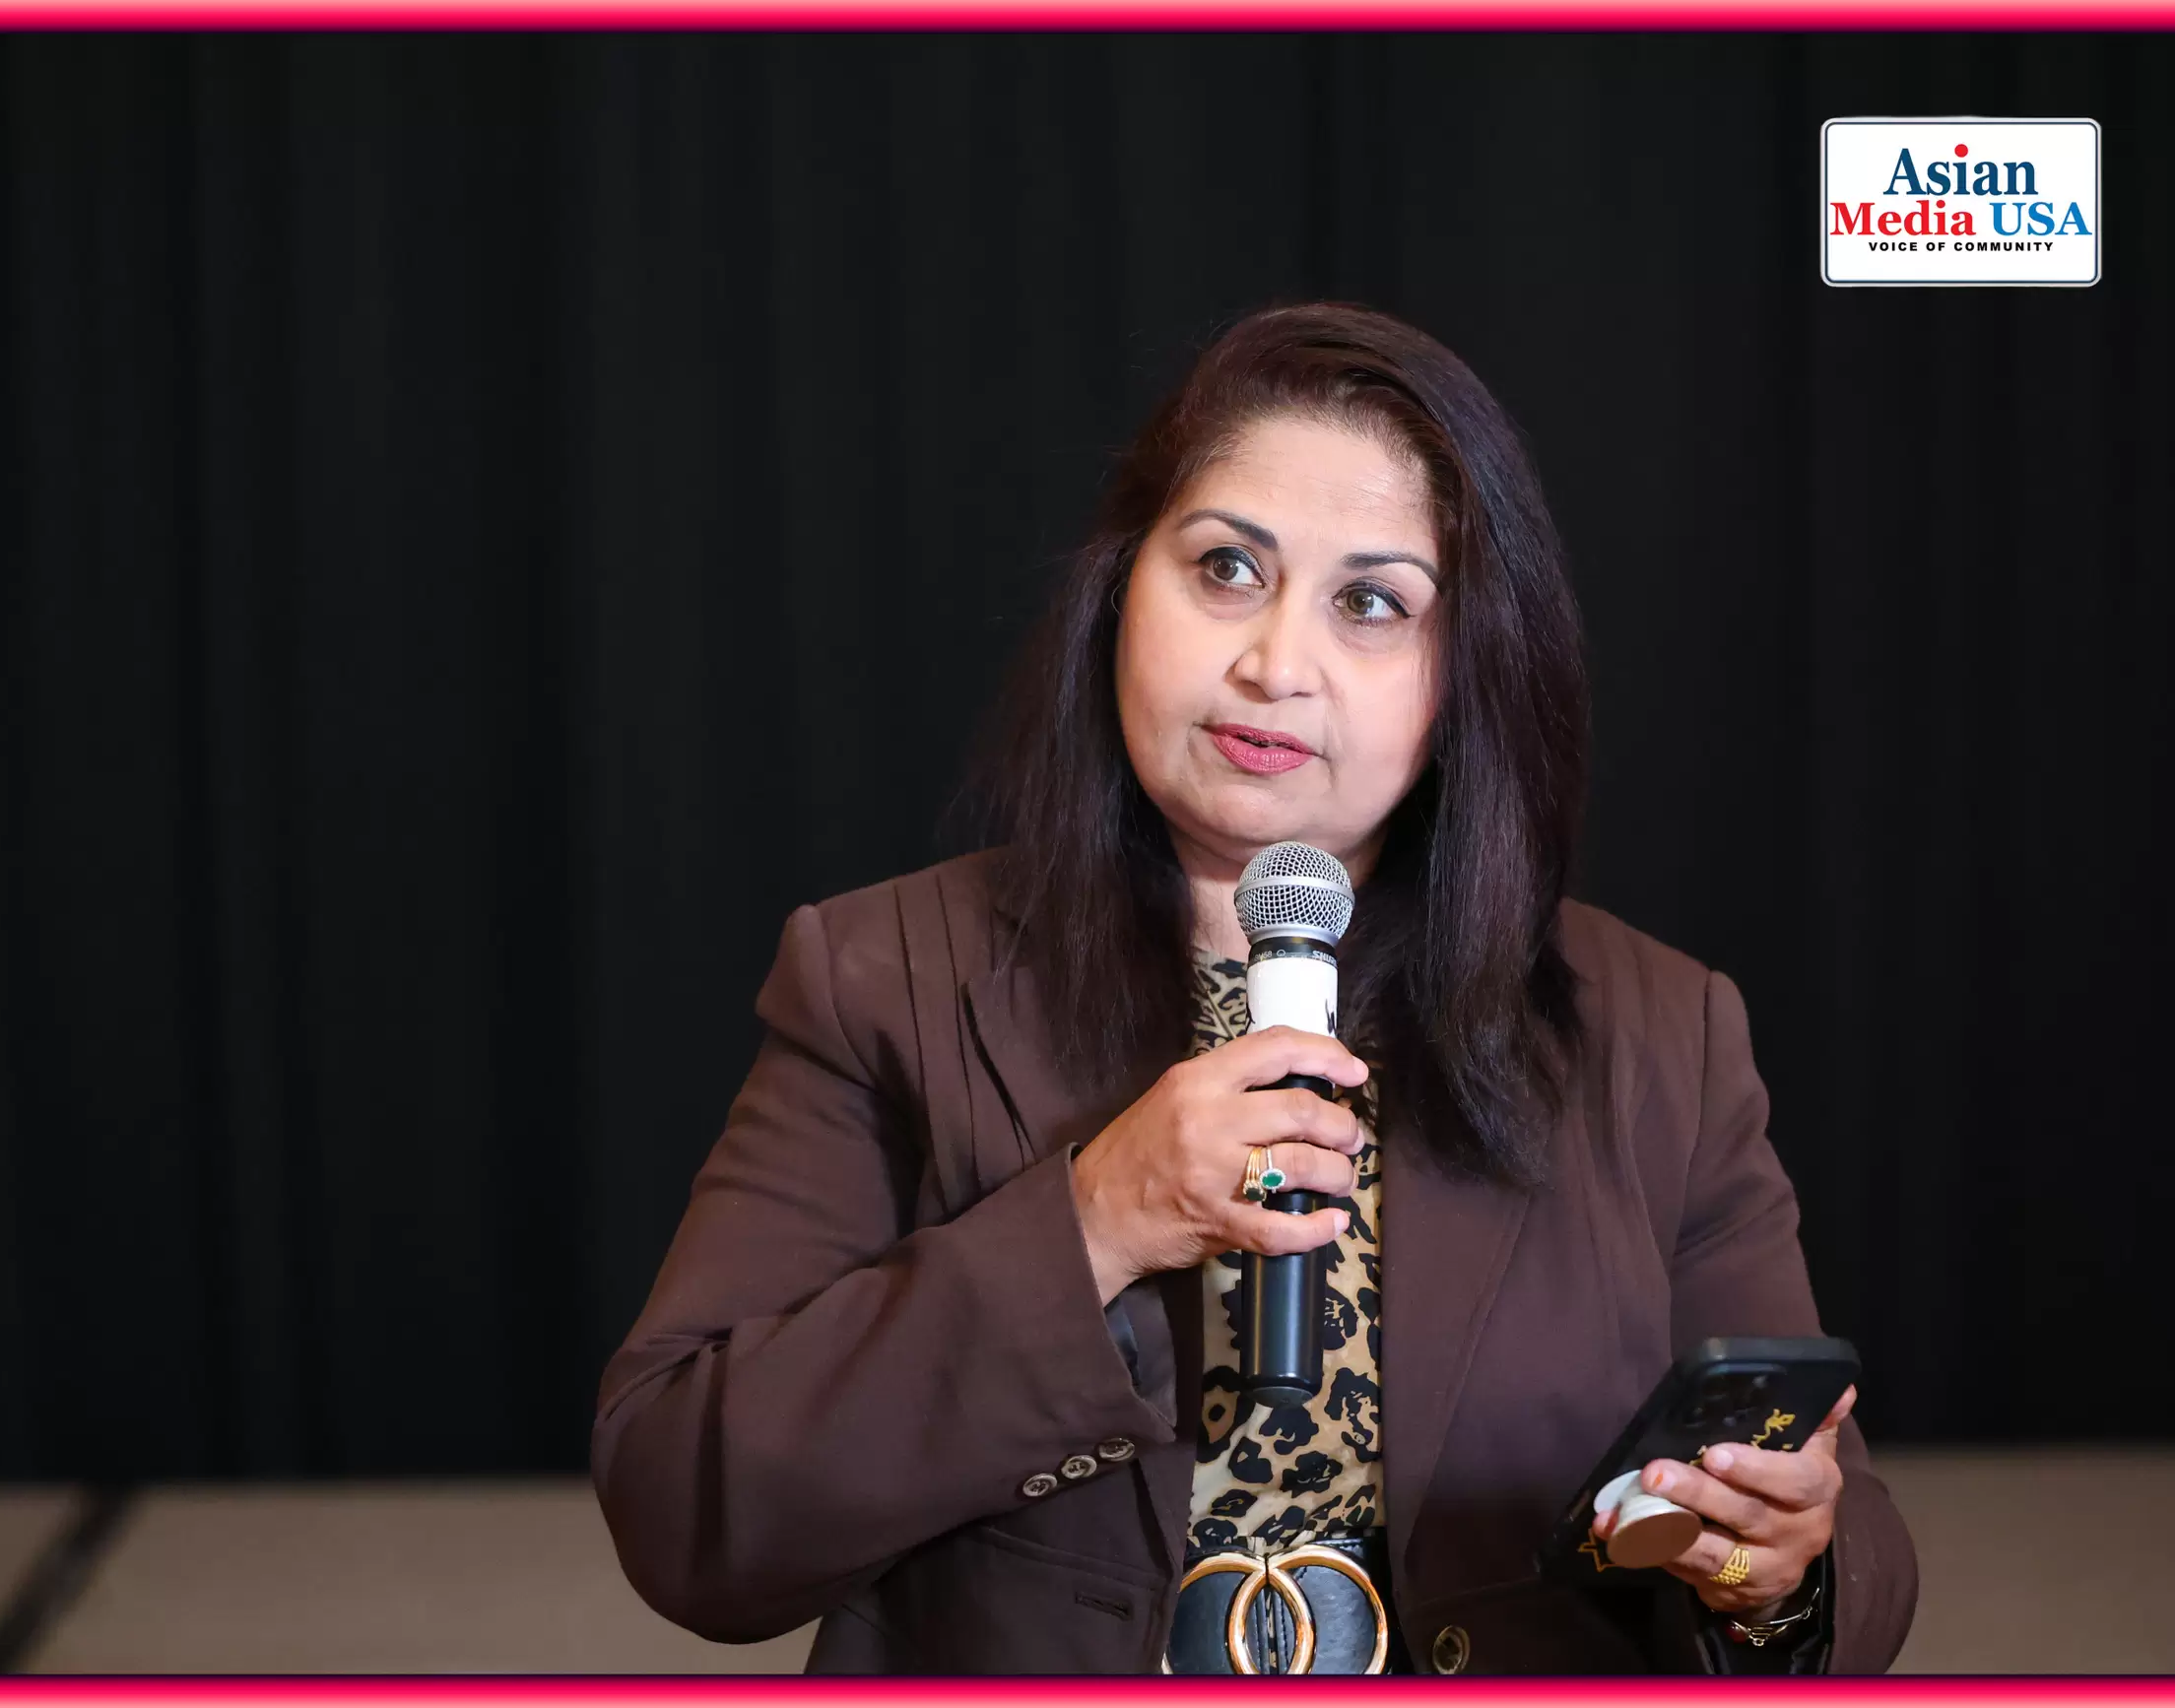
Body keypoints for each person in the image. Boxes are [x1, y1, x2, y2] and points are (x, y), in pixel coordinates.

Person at [590, 301, 1919, 1675]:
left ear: (1468, 670)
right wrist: (1092, 1223)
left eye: (1371, 603)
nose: (1276, 665)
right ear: (1122, 588)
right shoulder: (885, 977)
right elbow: (683, 1509)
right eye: (1227, 568)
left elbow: (1852, 1553)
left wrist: (1771, 1571)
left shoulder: (1659, 1030)